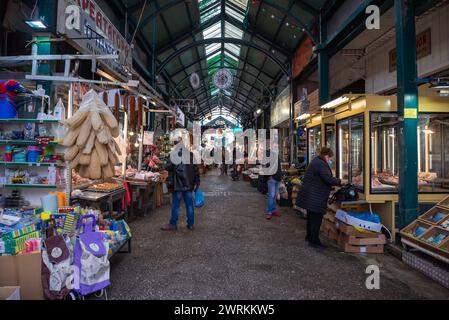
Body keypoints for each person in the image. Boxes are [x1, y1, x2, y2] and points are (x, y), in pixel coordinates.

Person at [296, 147, 342, 249]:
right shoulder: (321, 164)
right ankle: (315, 241)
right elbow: (328, 179)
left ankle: (309, 237)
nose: (330, 160)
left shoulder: (316, 161)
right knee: (316, 219)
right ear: (326, 155)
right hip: (315, 196)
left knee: (311, 218)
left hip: (311, 195)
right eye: (330, 158)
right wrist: (340, 181)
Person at [161, 141, 200, 231]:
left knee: (176, 205)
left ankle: (173, 224)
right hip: (189, 185)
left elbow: (167, 167)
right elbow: (196, 170)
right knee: (189, 205)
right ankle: (190, 224)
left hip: (178, 184)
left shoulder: (174, 154)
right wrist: (197, 183)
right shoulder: (191, 155)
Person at [263, 147, 283, 220]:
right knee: (271, 196)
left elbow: (278, 167)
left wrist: (281, 177)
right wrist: (269, 176)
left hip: (277, 178)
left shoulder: (276, 156)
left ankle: (273, 210)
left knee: (274, 196)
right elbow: (265, 166)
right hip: (272, 178)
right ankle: (269, 212)